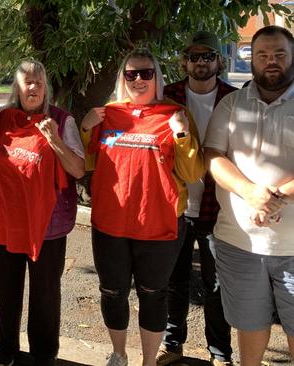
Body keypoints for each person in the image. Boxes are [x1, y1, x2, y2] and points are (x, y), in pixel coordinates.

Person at [81, 48, 205, 366]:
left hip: (159, 222)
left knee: (153, 293)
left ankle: (149, 361)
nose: (138, 79)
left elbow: (193, 173)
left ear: (156, 76)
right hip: (111, 222)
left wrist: (180, 134)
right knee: (112, 291)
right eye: (131, 73)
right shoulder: (108, 113)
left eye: (146, 73)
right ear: (123, 77)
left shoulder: (174, 113)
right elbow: (85, 163)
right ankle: (119, 353)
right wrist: (85, 128)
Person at [0, 60, 85, 366]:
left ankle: (43, 355)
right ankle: (7, 350)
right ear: (17, 87)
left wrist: (53, 139)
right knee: (7, 290)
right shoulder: (2, 118)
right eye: (27, 81)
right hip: (6, 222)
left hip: (47, 226)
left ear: (47, 87)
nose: (33, 87)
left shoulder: (62, 120)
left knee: (45, 294)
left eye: (39, 82)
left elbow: (78, 169)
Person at [204, 25, 294, 366]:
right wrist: (249, 193)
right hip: (238, 244)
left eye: (280, 54)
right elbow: (213, 156)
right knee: (249, 326)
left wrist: (275, 198)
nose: (271, 61)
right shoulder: (231, 104)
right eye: (262, 55)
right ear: (251, 59)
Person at [157, 31, 237, 366]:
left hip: (219, 208)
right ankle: (172, 343)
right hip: (176, 205)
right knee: (173, 280)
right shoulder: (167, 97)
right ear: (184, 61)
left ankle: (220, 353)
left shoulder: (234, 99)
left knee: (216, 283)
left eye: (208, 56)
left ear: (220, 61)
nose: (201, 62)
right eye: (194, 56)